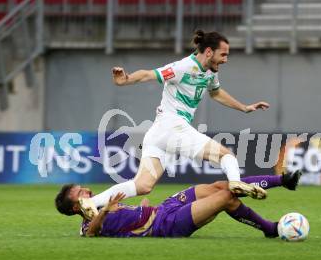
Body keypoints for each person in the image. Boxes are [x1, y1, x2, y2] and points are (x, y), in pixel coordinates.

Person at [108, 30, 271, 212]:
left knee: (142, 185)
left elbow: (215, 92)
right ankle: (235, 183)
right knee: (226, 156)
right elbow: (148, 74)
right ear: (209, 52)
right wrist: (126, 79)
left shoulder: (210, 71)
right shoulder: (182, 67)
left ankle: (90, 203)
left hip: (159, 132)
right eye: (223, 54)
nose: (226, 59)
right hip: (172, 126)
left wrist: (244, 107)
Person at [54, 171, 301, 238]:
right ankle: (269, 228)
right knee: (227, 198)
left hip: (163, 208)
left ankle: (283, 180)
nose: (85, 190)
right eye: (79, 193)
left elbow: (130, 217)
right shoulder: (87, 226)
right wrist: (105, 211)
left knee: (219, 186)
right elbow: (93, 233)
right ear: (76, 207)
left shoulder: (101, 204)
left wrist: (143, 206)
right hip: (167, 225)